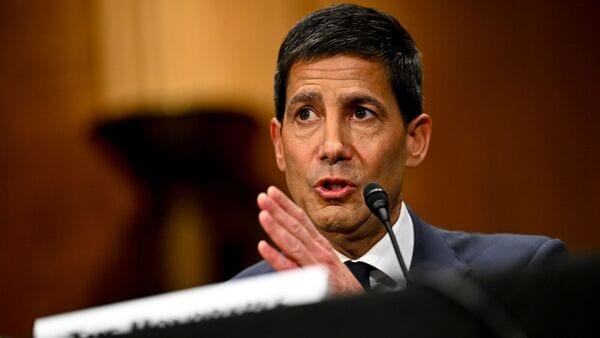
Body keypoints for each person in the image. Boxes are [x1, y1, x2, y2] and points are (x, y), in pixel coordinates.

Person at [233, 3, 567, 294]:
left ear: (415, 140)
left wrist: (362, 321)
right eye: (305, 115)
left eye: (361, 112)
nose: (332, 146)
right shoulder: (235, 309)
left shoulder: (525, 273)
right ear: (279, 144)